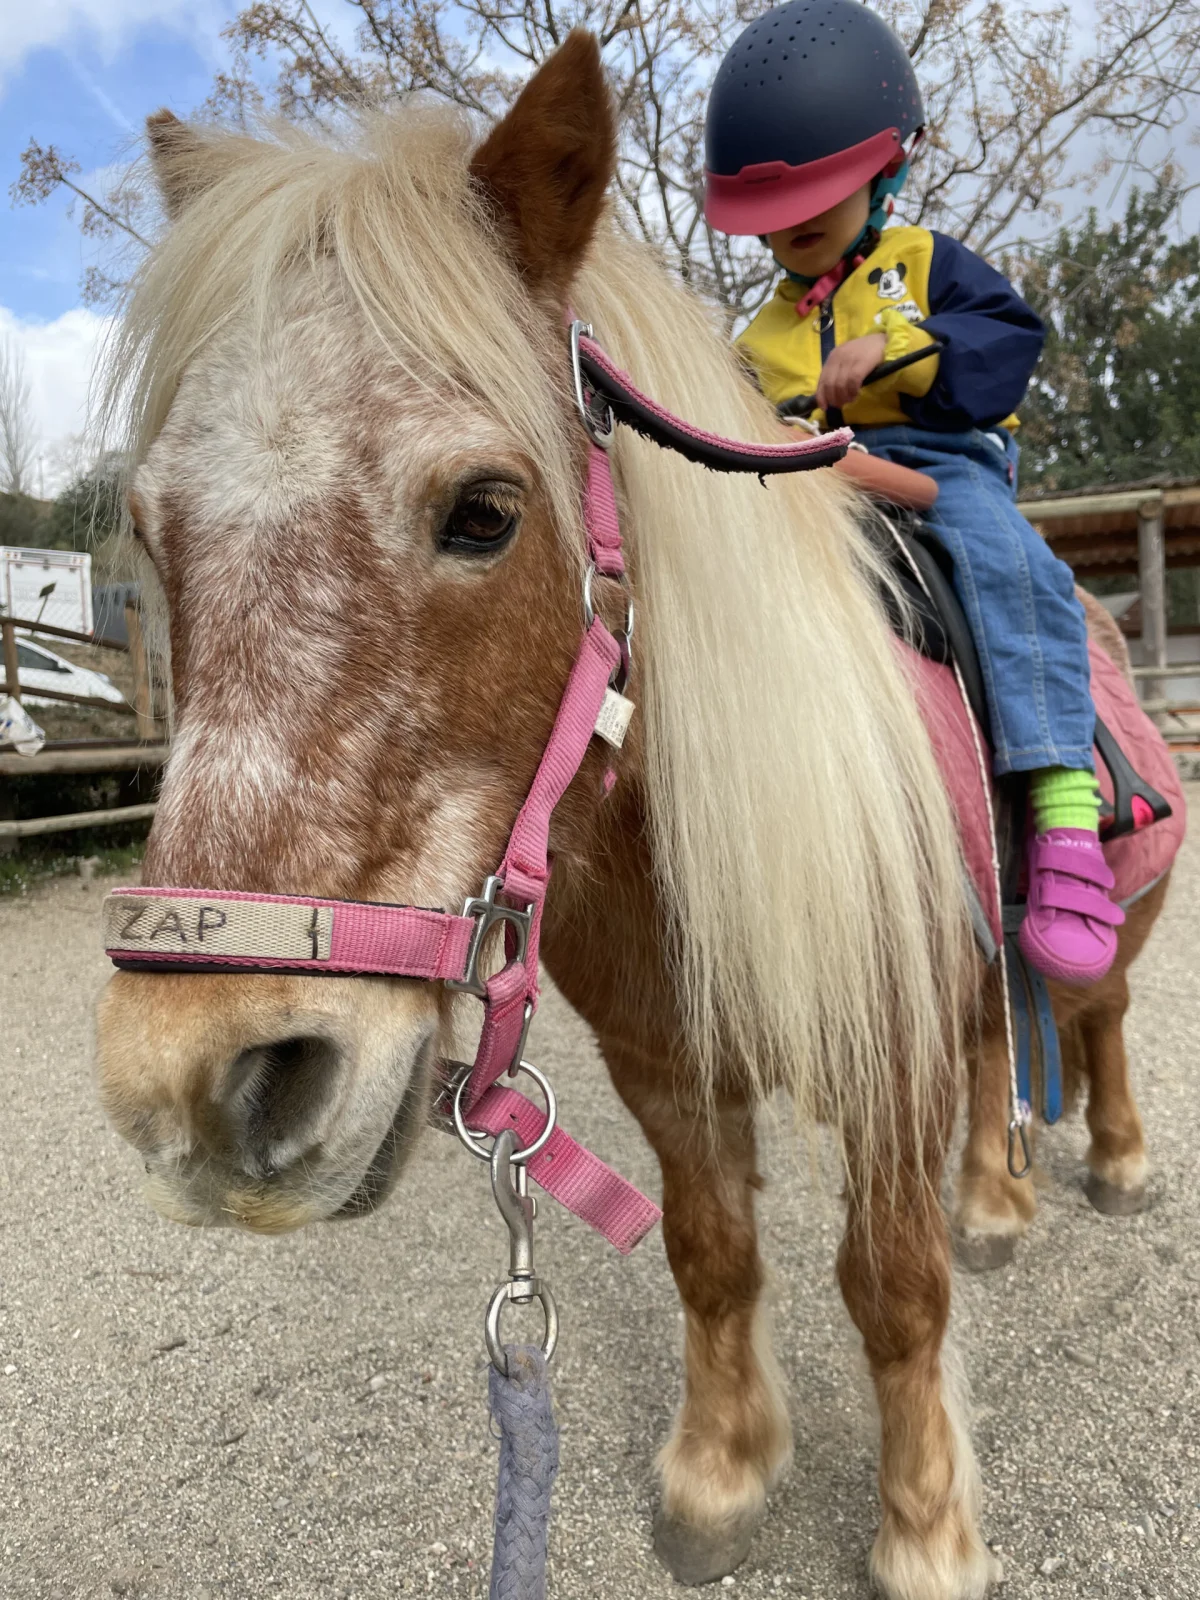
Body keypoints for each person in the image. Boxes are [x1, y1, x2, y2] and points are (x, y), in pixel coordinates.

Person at [703, 0, 1124, 985]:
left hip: (938, 468)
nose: (798, 229)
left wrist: (901, 345)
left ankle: (1065, 817)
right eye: (779, 216)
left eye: (824, 197)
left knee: (1010, 563)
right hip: (809, 486)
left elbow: (1008, 340)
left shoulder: (925, 263)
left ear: (886, 170)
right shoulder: (756, 334)